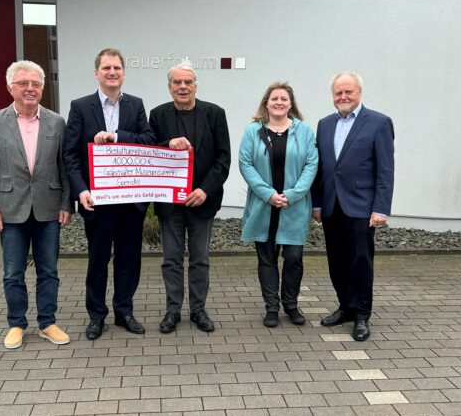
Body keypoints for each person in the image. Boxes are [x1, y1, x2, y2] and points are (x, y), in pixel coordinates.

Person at [0, 60, 72, 349]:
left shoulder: (56, 121)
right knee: (13, 271)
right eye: (23, 83)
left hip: (48, 207)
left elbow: (64, 167)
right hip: (10, 209)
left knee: (49, 270)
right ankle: (16, 324)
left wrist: (66, 203)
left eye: (36, 84)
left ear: (42, 88)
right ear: (10, 88)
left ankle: (47, 322)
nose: (30, 89)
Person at [62, 48, 155, 340]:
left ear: (124, 73)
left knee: (129, 259)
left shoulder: (136, 105)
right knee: (98, 259)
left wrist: (117, 137)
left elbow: (149, 141)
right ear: (96, 73)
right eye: (106, 68)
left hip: (130, 200)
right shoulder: (80, 106)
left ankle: (124, 311)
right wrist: (81, 190)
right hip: (97, 201)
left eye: (116, 67)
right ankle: (96, 316)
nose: (112, 72)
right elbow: (70, 154)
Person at [148, 60, 231, 333]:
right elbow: (149, 151)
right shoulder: (158, 115)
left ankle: (198, 310)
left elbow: (223, 159)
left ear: (196, 85)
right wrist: (166, 144)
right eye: (177, 82)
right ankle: (173, 311)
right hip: (169, 202)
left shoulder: (215, 113)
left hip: (202, 201)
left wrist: (205, 190)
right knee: (171, 259)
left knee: (200, 259)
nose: (182, 87)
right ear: (170, 87)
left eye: (188, 82)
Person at [311, 72, 394, 341]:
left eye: (348, 92)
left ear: (359, 92)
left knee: (360, 261)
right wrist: (316, 203)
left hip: (361, 206)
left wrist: (380, 208)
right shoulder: (324, 124)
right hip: (331, 205)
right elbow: (320, 168)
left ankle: (361, 315)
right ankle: (345, 306)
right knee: (336, 260)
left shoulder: (379, 123)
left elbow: (385, 170)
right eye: (338, 93)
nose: (343, 97)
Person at [239, 82, 318, 328]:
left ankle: (291, 305)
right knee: (267, 258)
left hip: (293, 206)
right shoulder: (253, 131)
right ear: (266, 103)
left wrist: (292, 195)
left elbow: (311, 164)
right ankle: (271, 307)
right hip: (264, 205)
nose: (279, 102)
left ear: (291, 104)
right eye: (274, 98)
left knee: (293, 257)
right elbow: (245, 164)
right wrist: (268, 194)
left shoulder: (304, 131)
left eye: (284, 99)